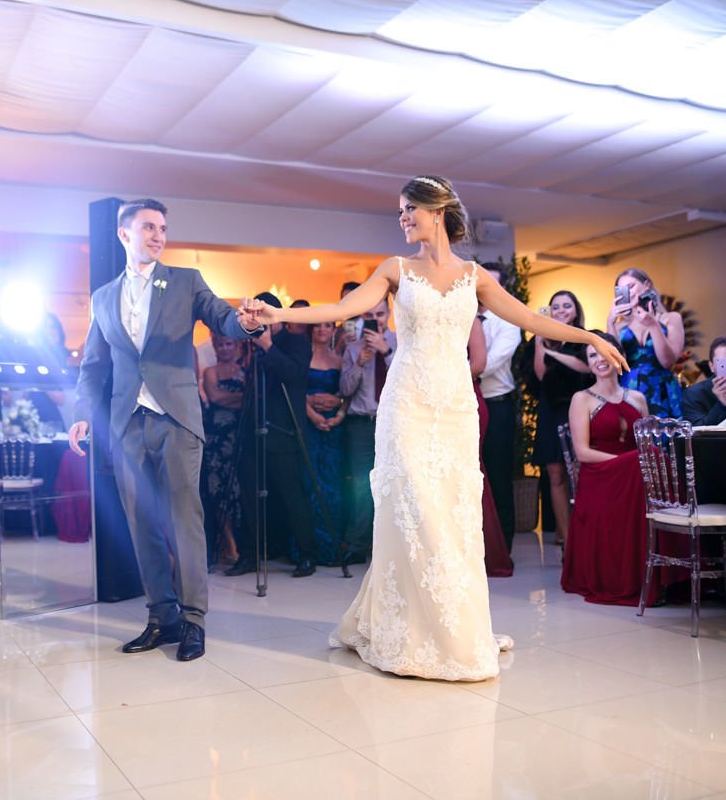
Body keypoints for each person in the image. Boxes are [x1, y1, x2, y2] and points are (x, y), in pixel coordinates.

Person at [240, 174, 627, 681]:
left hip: (455, 411)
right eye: (400, 211)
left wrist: (590, 338)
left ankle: (452, 628)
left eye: (408, 209)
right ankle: (407, 629)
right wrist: (276, 312)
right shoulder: (396, 269)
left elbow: (530, 319)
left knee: (452, 517)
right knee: (412, 510)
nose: (402, 218)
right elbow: (343, 308)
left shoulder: (474, 276)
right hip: (407, 406)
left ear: (435, 210)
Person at [68, 199, 261, 663]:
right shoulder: (102, 298)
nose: (158, 235)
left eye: (162, 228)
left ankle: (194, 619)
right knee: (141, 523)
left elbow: (222, 316)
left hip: (176, 418)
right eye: (148, 227)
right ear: (124, 234)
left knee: (184, 521)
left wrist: (245, 322)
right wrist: (80, 412)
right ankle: (162, 616)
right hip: (126, 424)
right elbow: (94, 366)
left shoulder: (184, 282)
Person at [561, 332, 661, 606]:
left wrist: (637, 462)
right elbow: (582, 452)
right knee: (644, 460)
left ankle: (661, 573)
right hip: (600, 474)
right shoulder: (582, 399)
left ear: (620, 356)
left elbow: (645, 443)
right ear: (589, 363)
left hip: (636, 473)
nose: (600, 359)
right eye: (593, 355)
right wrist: (626, 462)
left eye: (605, 352)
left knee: (655, 460)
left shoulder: (637, 398)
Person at [225, 293, 317, 578]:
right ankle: (251, 555)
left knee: (292, 495)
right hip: (253, 429)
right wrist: (258, 344)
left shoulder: (296, 342)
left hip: (284, 430)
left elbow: (293, 374)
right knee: (250, 496)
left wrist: (268, 345)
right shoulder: (251, 345)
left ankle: (307, 554)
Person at [528, 290, 592, 545]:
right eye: (556, 306)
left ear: (576, 310)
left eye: (567, 305)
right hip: (550, 409)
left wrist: (553, 352)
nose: (561, 310)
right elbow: (541, 376)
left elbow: (586, 367)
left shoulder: (585, 338)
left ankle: (586, 533)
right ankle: (565, 536)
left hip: (579, 407)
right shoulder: (542, 340)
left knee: (580, 472)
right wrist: (540, 344)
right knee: (555, 474)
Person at [337, 297, 396, 566]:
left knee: (395, 486)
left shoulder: (403, 342)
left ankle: (393, 548)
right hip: (362, 425)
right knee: (362, 486)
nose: (376, 319)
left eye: (380, 314)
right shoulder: (352, 348)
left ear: (389, 313)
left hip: (395, 424)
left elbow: (410, 380)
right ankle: (359, 545)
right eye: (370, 314)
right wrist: (360, 362)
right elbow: (345, 390)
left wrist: (386, 351)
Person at [476, 262, 522, 556]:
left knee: (498, 477)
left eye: (490, 283)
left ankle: (502, 550)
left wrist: (456, 372)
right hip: (465, 405)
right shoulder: (463, 316)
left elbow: (490, 363)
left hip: (497, 405)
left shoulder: (508, 320)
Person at [606, 268, 684, 417]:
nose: (629, 293)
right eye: (623, 290)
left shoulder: (670, 319)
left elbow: (667, 361)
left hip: (661, 390)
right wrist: (610, 323)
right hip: (628, 389)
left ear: (646, 284)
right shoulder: (619, 326)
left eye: (631, 286)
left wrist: (653, 325)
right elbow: (616, 365)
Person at [469, 317, 512, 578]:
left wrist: (438, 381)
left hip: (463, 396)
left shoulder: (470, 318)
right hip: (425, 402)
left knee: (469, 470)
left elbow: (479, 364)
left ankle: (484, 553)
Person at [200, 334, 245, 566]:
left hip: (241, 437)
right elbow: (215, 398)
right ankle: (229, 545)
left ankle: (241, 542)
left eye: (229, 343)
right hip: (217, 440)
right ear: (215, 347)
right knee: (219, 491)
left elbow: (254, 399)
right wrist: (241, 397)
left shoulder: (247, 370)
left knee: (240, 491)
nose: (225, 348)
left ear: (237, 345)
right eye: (220, 344)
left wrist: (233, 399)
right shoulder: (209, 371)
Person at [304, 321, 345, 565]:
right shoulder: (302, 358)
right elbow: (293, 390)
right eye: (317, 325)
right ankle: (309, 549)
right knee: (310, 482)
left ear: (333, 330)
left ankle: (331, 549)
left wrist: (337, 405)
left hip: (333, 428)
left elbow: (349, 392)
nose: (321, 329)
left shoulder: (339, 360)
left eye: (327, 325)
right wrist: (313, 414)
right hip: (309, 425)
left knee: (332, 484)